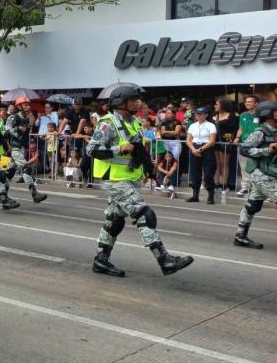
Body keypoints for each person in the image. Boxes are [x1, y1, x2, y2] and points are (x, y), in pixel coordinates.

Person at [86, 84, 193, 278]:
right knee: (144, 214)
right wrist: (119, 149)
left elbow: (138, 150)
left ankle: (101, 259)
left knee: (115, 221)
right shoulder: (107, 123)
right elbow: (91, 150)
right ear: (121, 103)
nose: (138, 102)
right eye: (133, 100)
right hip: (115, 179)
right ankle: (165, 259)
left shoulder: (135, 122)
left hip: (129, 178)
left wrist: (147, 170)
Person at [233, 101, 277, 249]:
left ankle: (240, 236)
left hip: (272, 173)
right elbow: (244, 149)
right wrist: (266, 151)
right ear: (268, 114)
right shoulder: (261, 132)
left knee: (253, 205)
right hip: (263, 175)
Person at [5, 96, 48, 203]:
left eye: (29, 104)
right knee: (26, 168)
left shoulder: (27, 117)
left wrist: (30, 121)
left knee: (10, 173)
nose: (28, 106)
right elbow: (6, 130)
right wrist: (17, 129)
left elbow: (28, 129)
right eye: (25, 105)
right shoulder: (13, 117)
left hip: (22, 147)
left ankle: (3, 194)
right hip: (15, 147)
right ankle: (34, 194)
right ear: (19, 106)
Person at [185, 107, 217, 204]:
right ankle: (195, 195)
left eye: (200, 114)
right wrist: (193, 149)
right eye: (197, 114)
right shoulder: (192, 126)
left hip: (206, 148)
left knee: (208, 174)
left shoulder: (211, 125)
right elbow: (188, 140)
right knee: (195, 173)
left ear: (206, 115)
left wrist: (201, 149)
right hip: (194, 147)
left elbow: (212, 141)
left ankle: (210, 195)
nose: (198, 116)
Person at [212, 98, 238, 193]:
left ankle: (224, 184)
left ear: (223, 105)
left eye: (217, 104)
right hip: (215, 142)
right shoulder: (214, 116)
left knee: (224, 163)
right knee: (216, 163)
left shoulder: (232, 116)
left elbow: (235, 129)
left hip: (226, 142)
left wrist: (232, 138)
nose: (215, 106)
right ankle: (216, 184)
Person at [235, 95, 260, 197]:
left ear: (256, 103)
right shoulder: (243, 115)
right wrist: (237, 137)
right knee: (244, 167)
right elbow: (241, 128)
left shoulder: (261, 115)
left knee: (257, 167)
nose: (247, 103)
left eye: (250, 102)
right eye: (246, 102)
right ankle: (245, 187)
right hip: (244, 143)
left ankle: (258, 189)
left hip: (257, 144)